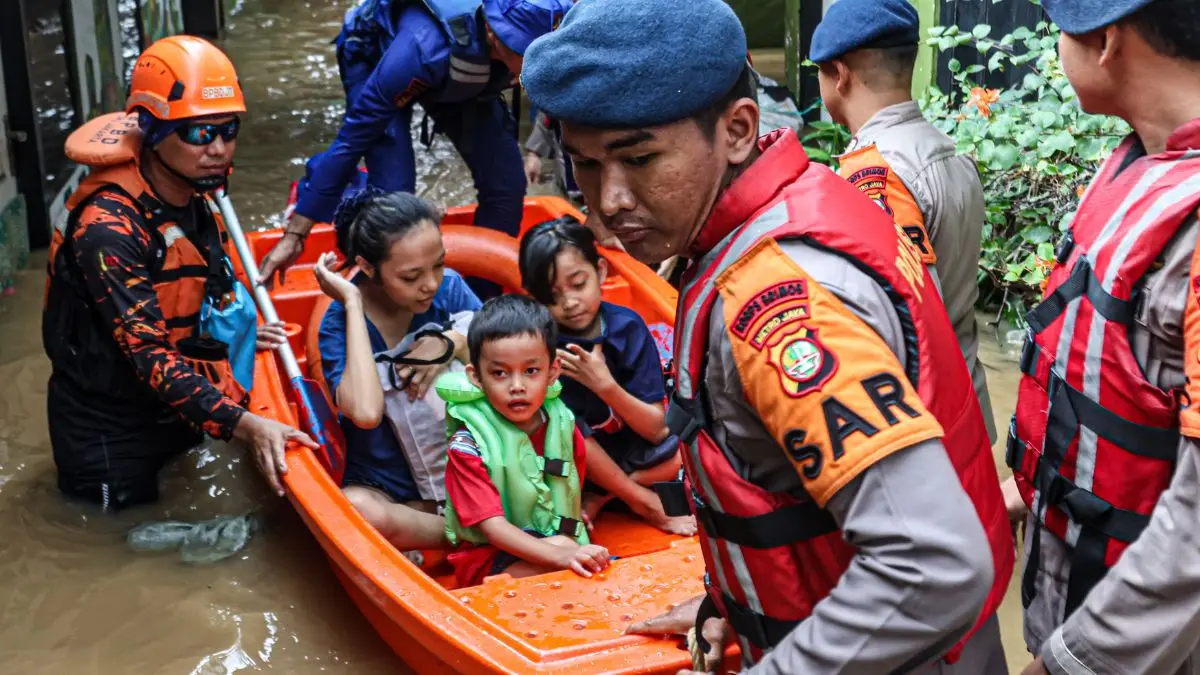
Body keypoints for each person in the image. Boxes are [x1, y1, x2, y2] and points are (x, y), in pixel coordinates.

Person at [521, 0, 1014, 672]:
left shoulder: (779, 303)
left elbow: (932, 563)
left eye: (638, 159)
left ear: (738, 130)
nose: (608, 202)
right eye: (584, 165)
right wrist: (731, 603)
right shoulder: (810, 197)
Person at [1000, 1, 1200, 674]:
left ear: (1108, 40)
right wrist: (1014, 495)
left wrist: (1068, 663)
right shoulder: (1139, 161)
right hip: (1075, 593)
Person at [42, 35, 318, 511]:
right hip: (109, 427)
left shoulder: (194, 193)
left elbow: (202, 290)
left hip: (176, 408)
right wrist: (246, 425)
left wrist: (244, 334)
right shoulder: (108, 230)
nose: (217, 148)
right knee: (113, 546)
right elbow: (148, 354)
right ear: (149, 130)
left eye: (227, 130)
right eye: (197, 133)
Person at [257, 0, 574, 288]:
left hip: (463, 76)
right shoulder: (422, 50)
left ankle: (480, 299)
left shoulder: (540, 30)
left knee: (507, 185)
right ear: (493, 32)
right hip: (376, 54)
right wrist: (296, 234)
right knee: (395, 202)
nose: (539, 61)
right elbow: (352, 139)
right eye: (528, 51)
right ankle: (330, 196)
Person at [811, 0, 996, 445]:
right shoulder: (951, 153)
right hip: (966, 397)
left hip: (920, 421)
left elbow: (895, 322)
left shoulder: (873, 175)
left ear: (839, 74)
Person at [313, 189, 479, 552]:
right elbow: (366, 413)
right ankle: (473, 532)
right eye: (411, 277)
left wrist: (452, 341)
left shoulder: (449, 289)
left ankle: (461, 522)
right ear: (368, 267)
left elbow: (506, 349)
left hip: (467, 466)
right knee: (356, 511)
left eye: (438, 265)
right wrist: (352, 303)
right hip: (386, 486)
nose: (431, 284)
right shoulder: (338, 325)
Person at [519, 217, 696, 536]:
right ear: (534, 299)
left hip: (638, 452)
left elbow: (658, 430)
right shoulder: (540, 348)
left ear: (600, 272)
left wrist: (604, 385)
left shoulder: (627, 328)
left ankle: (605, 496)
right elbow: (569, 438)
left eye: (578, 284)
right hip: (578, 462)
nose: (569, 303)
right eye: (552, 296)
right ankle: (642, 501)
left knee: (685, 445)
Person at [438, 294, 610, 587]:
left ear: (553, 371)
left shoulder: (562, 424)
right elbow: (492, 529)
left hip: (558, 542)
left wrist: (570, 544)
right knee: (573, 567)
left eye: (531, 371)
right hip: (489, 560)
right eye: (500, 373)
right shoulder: (467, 446)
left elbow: (571, 487)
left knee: (581, 558)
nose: (517, 386)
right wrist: (563, 556)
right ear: (476, 377)